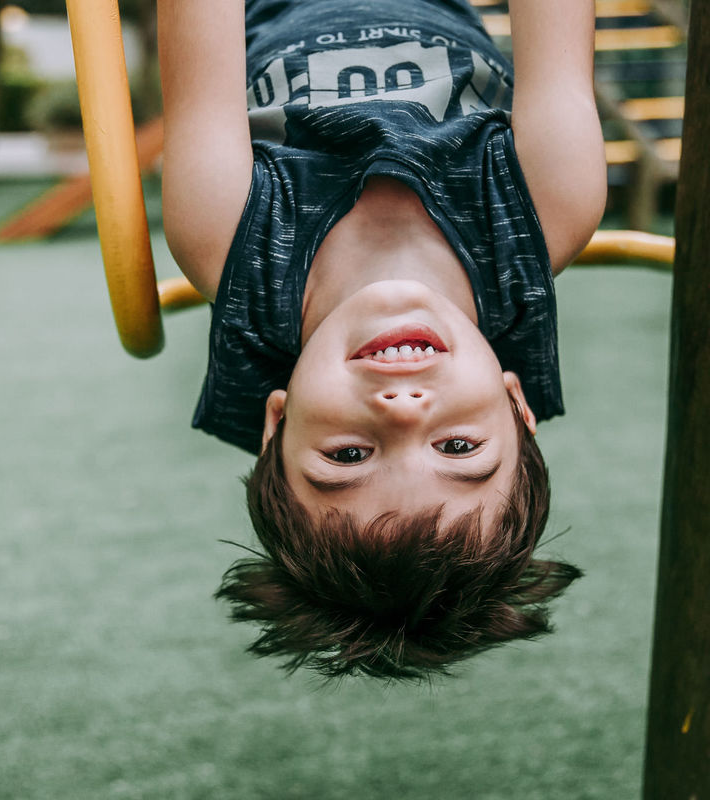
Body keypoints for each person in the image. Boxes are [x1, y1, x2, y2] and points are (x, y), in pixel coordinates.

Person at [158, 0, 606, 679]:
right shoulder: (547, 206)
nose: (404, 411)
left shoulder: (227, 235)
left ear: (276, 422)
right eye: (459, 449)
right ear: (516, 407)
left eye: (347, 455)